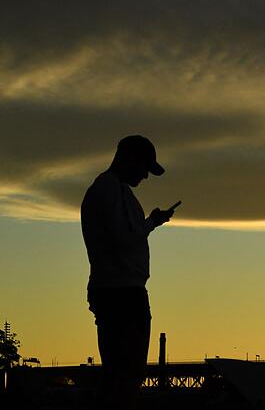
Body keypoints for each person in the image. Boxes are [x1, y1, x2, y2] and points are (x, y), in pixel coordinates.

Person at [81, 135, 175, 409]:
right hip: (121, 292)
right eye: (145, 167)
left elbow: (121, 236)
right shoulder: (110, 190)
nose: (145, 176)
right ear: (130, 159)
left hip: (116, 289)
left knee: (121, 373)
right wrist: (149, 225)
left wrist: (150, 223)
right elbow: (121, 239)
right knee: (126, 373)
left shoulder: (110, 190)